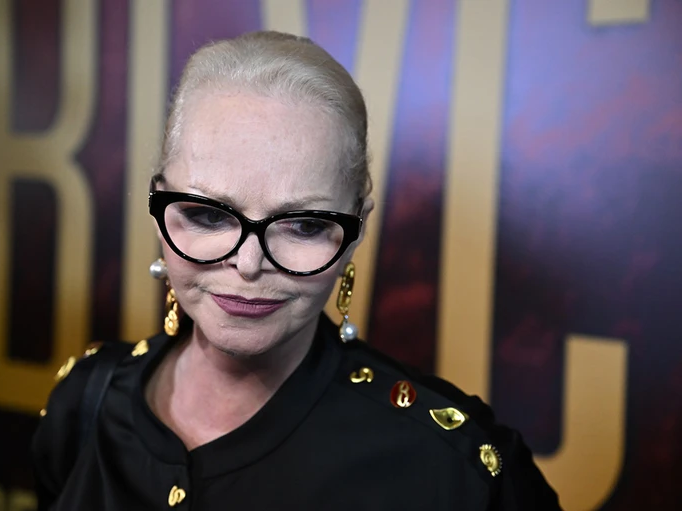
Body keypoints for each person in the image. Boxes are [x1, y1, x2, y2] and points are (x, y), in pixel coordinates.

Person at [32, 31, 560, 510]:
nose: (248, 265)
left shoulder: (451, 467)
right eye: (208, 215)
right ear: (158, 204)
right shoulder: (84, 404)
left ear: (357, 229)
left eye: (303, 225)